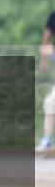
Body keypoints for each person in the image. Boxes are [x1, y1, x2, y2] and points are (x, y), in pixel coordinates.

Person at [37, 10, 55, 153]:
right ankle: (47, 140)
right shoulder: (53, 16)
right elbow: (46, 38)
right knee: (50, 103)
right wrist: (44, 62)